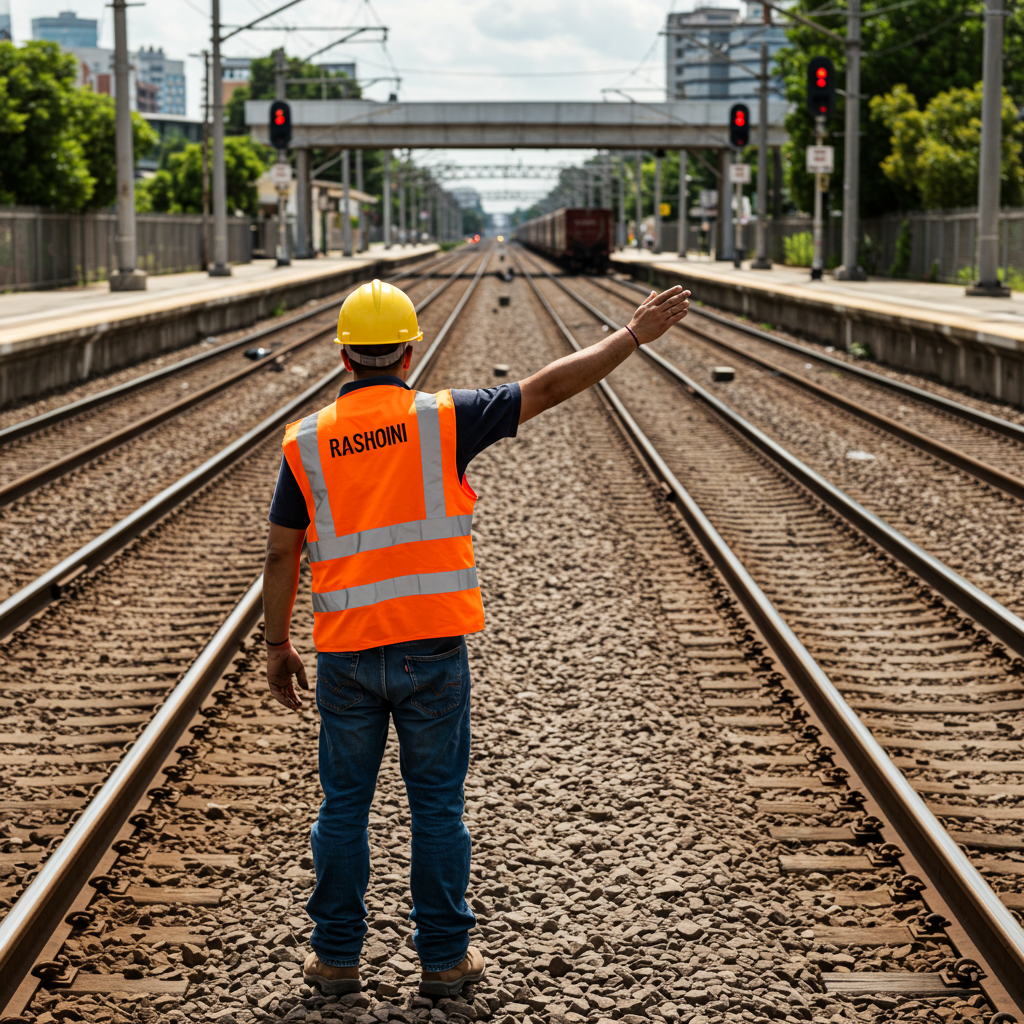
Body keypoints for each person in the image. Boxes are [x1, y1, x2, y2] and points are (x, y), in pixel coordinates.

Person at [262, 275, 690, 999]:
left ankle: (336, 959)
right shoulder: (442, 418)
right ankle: (443, 961)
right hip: (431, 646)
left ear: (343, 359)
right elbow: (547, 388)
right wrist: (631, 337)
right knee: (435, 806)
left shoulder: (306, 442)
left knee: (343, 805)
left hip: (345, 651)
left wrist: (276, 645)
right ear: (407, 353)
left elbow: (282, 552)